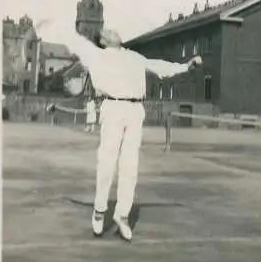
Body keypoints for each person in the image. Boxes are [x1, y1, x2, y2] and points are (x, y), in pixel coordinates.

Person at [33, 16, 202, 242]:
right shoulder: (95, 54)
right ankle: (99, 210)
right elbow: (70, 38)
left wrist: (185, 66)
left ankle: (122, 215)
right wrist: (42, 26)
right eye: (109, 32)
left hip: (135, 111)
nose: (114, 32)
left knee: (130, 165)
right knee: (107, 162)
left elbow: (158, 67)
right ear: (103, 40)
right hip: (112, 108)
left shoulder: (133, 56)